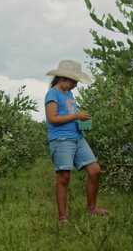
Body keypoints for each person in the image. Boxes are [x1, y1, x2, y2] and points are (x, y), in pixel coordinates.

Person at [44, 60, 108, 225]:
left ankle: (92, 208)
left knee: (95, 170)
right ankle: (62, 218)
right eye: (75, 82)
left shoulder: (69, 94)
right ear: (65, 78)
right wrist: (75, 116)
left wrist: (82, 119)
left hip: (77, 138)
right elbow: (52, 119)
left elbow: (71, 113)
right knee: (64, 177)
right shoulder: (53, 94)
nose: (76, 85)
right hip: (61, 139)